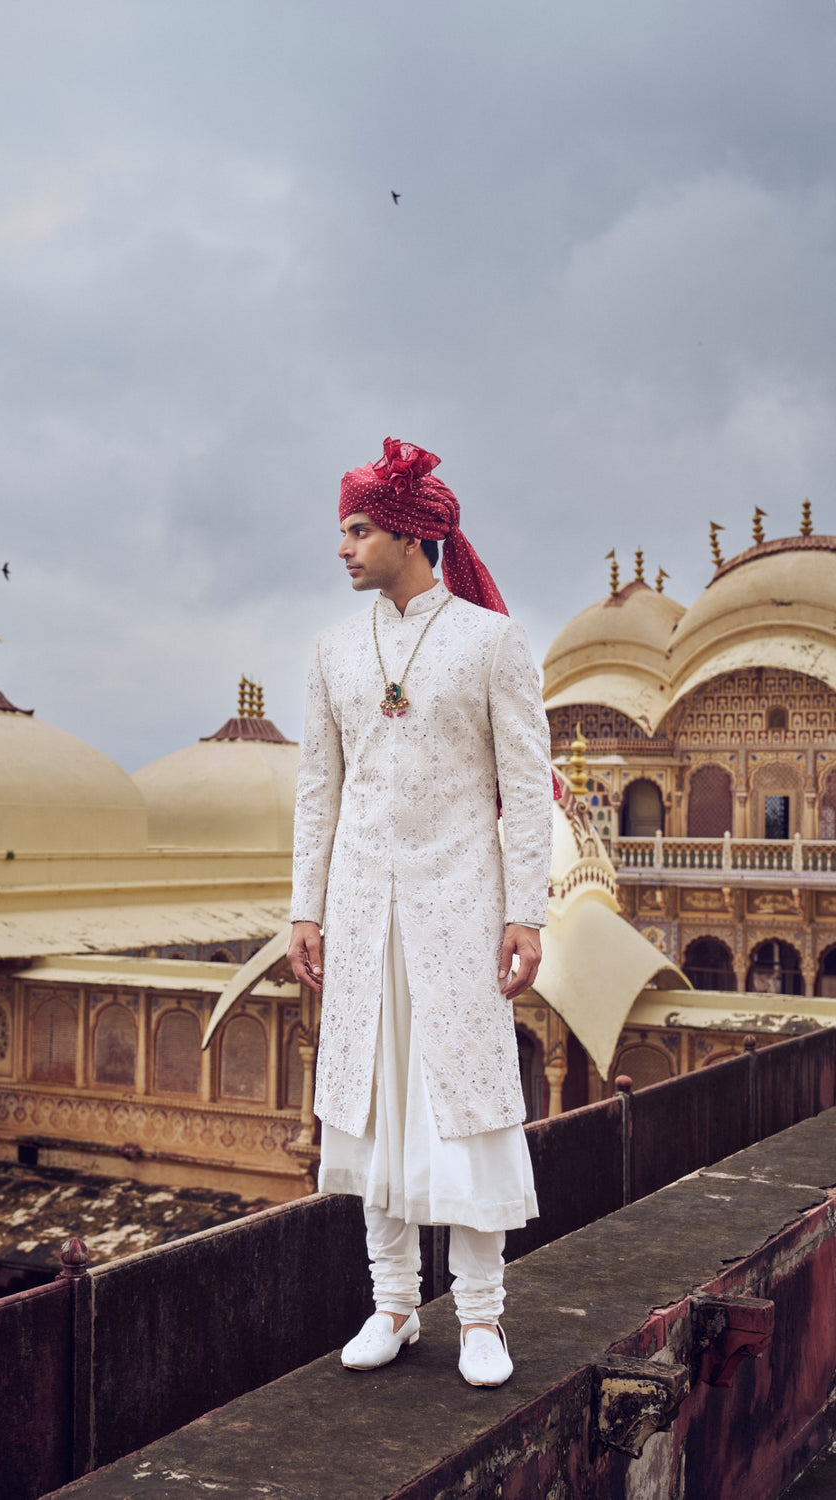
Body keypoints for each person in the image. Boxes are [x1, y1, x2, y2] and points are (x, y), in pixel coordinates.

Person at [288, 437, 554, 1388]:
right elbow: (318, 790)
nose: (345, 548)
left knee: (465, 1104)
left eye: (358, 530)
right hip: (362, 909)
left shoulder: (491, 641)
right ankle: (393, 1303)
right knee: (372, 1101)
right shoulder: (331, 651)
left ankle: (480, 1316)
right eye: (344, 531)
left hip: (460, 906)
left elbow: (527, 788)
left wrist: (529, 912)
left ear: (409, 533)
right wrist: (303, 909)